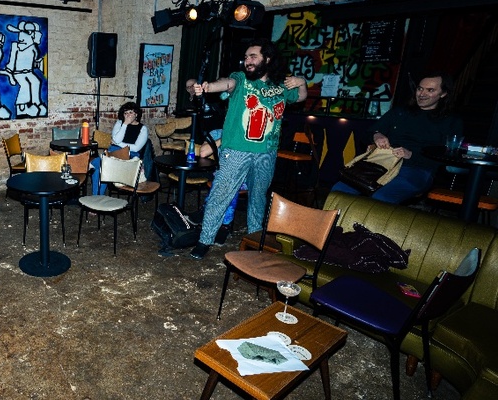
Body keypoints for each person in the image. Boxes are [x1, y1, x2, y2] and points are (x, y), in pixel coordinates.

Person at [189, 38, 308, 260]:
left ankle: (255, 240)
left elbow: (300, 96)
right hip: (236, 150)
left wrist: (301, 81)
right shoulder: (241, 79)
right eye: (246, 57)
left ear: (267, 59)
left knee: (258, 198)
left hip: (267, 152)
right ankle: (204, 240)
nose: (248, 61)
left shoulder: (280, 85)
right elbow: (226, 84)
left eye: (253, 56)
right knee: (220, 195)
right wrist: (207, 87)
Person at [330, 73, 463, 204]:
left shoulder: (451, 121)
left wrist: (411, 155)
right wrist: (377, 135)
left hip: (418, 169)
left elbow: (447, 157)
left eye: (430, 90)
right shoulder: (399, 112)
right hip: (383, 164)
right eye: (420, 88)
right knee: (339, 191)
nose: (422, 94)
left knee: (381, 198)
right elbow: (367, 135)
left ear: (443, 94)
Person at [91, 101, 149, 195]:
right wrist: (125, 124)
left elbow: (136, 148)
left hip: (130, 156)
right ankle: (96, 200)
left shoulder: (143, 128)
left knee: (101, 166)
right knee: (99, 170)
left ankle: (93, 164)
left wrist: (120, 144)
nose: (128, 115)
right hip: (114, 152)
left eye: (130, 112)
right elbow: (116, 139)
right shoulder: (120, 123)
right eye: (125, 113)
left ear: (136, 114)